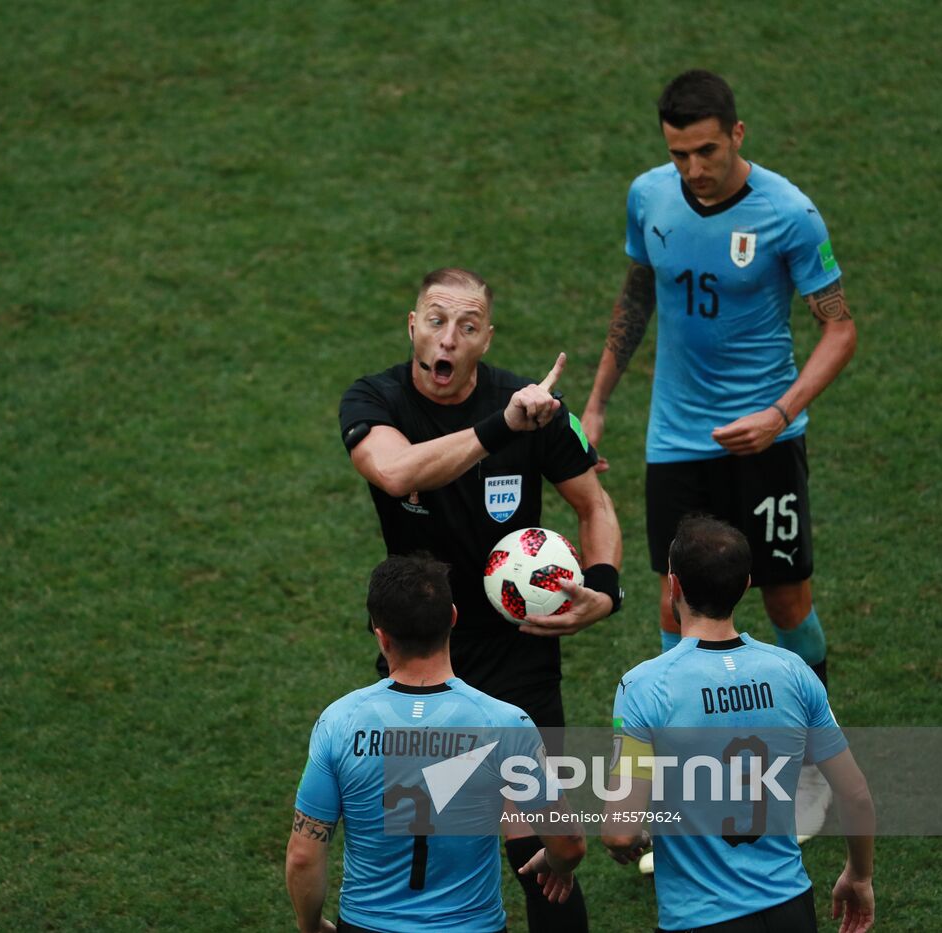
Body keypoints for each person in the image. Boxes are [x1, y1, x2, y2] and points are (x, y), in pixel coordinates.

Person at [580, 69, 856, 832]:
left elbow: (840, 327)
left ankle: (806, 766)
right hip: (676, 439)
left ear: (737, 135)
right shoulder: (650, 196)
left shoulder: (788, 214)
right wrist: (598, 404)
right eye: (679, 154)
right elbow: (640, 292)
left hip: (764, 442)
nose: (693, 170)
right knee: (676, 600)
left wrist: (780, 413)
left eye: (706, 150)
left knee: (784, 601)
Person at [338, 267, 623, 929]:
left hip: (519, 653)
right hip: (423, 649)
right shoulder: (373, 400)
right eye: (436, 320)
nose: (449, 338)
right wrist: (502, 426)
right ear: (413, 326)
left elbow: (596, 503)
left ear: (485, 339)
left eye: (467, 326)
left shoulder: (535, 407)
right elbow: (397, 470)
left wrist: (604, 589)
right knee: (428, 838)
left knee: (547, 849)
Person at [595, 515, 874, 932]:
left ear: (675, 586)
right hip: (791, 911)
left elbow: (619, 832)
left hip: (700, 918)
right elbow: (855, 794)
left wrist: (635, 837)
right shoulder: (794, 671)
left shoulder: (644, 687)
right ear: (745, 586)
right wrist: (859, 875)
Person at [286, 554, 584, 933]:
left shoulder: (339, 722)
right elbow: (569, 842)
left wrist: (311, 925)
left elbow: (302, 856)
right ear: (454, 618)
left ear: (381, 636)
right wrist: (558, 863)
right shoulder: (506, 723)